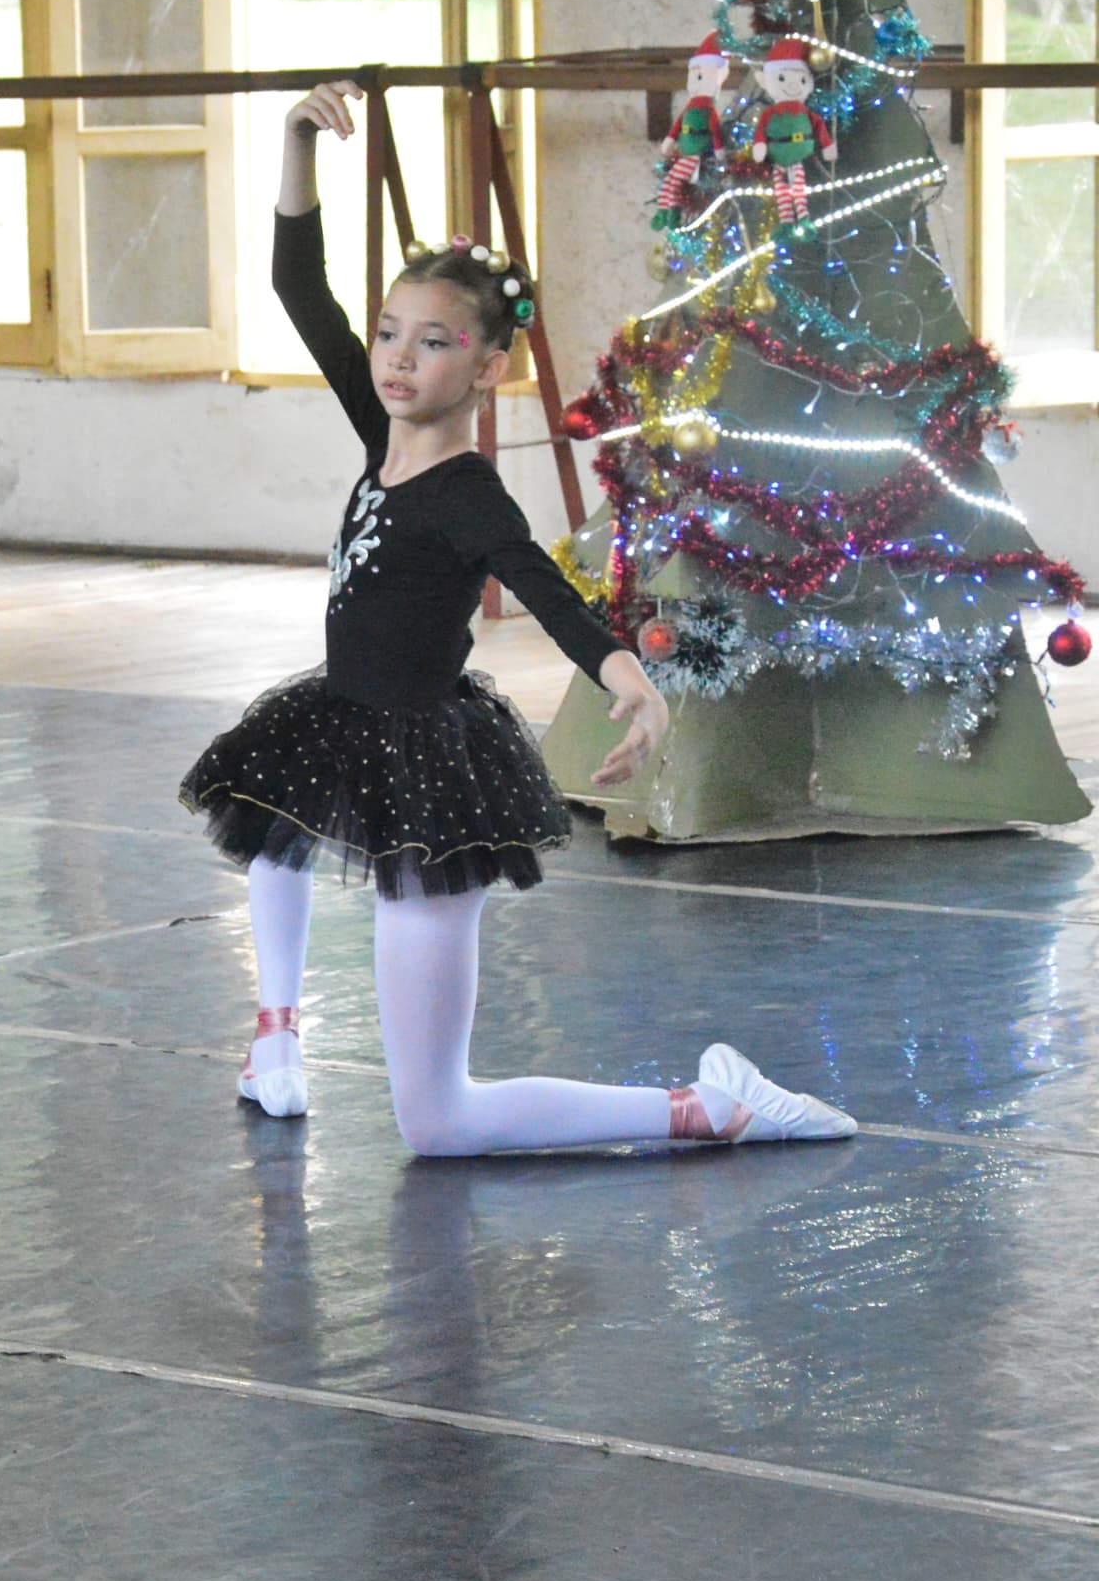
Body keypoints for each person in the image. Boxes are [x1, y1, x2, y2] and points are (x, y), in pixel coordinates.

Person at [178, 80, 855, 1154]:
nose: (398, 359)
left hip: (428, 776)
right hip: (348, 717)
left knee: (437, 1123)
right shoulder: (380, 428)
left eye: (433, 343)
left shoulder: (469, 496)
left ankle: (711, 1108)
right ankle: (275, 1036)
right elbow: (297, 283)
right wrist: (295, 137)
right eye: (389, 334)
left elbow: (545, 588)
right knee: (276, 811)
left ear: (489, 368)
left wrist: (630, 679)